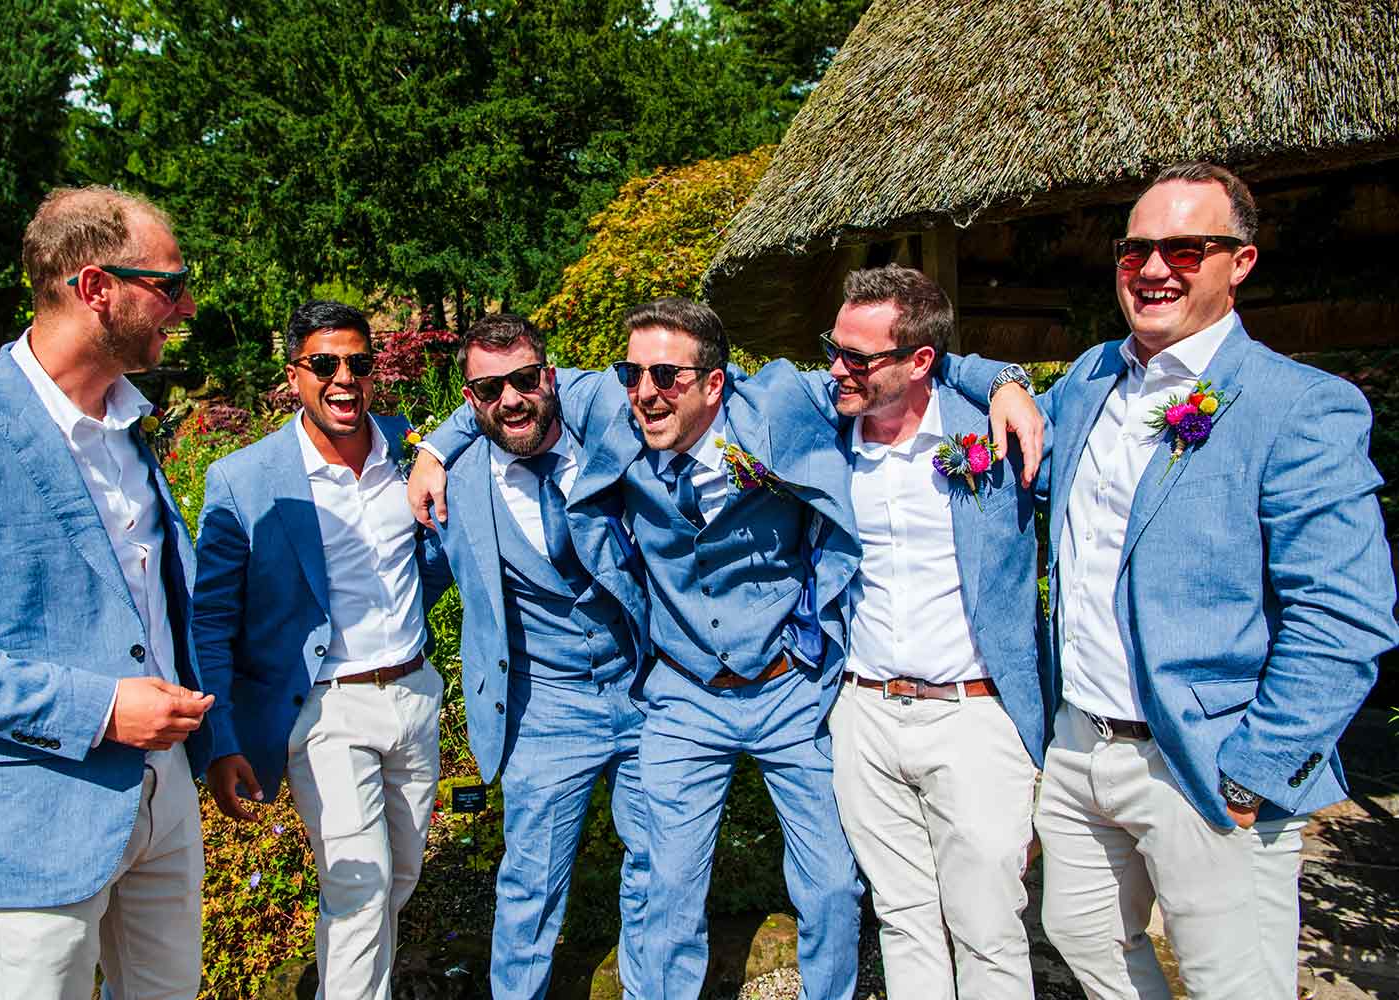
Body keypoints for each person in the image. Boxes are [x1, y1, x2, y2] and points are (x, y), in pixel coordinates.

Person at [410, 297, 1043, 1000]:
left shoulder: (779, 402)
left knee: (833, 881)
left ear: (715, 382)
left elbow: (894, 365)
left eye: (666, 378)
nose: (645, 392)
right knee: (668, 887)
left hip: (789, 689)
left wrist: (1002, 380)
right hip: (681, 694)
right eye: (632, 373)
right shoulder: (618, 415)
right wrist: (436, 447)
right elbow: (505, 398)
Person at [1031, 162, 1398, 999]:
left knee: (1233, 981)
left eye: (1186, 248)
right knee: (1084, 940)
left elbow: (1345, 617)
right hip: (1081, 744)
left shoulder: (1298, 405)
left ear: (1240, 263)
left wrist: (1255, 771)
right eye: (1135, 250)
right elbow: (992, 410)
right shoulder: (1090, 380)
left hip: (1202, 761)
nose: (1154, 269)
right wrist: (1005, 382)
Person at [0, 186, 213, 999]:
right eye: (169, 284)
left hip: (165, 795)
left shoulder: (128, 426)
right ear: (95, 287)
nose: (183, 306)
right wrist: (102, 710)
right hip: (33, 813)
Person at [191, 301, 452, 1000]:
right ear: (293, 375)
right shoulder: (244, 480)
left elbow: (476, 432)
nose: (344, 379)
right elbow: (209, 618)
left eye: (359, 363)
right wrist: (219, 739)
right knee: (358, 885)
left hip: (413, 692)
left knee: (398, 875)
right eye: (325, 364)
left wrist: (436, 449)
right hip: (325, 712)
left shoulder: (412, 447)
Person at [824, 265, 1045, 999]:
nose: (837, 368)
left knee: (988, 924)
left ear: (921, 362)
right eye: (834, 346)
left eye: (858, 357)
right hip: (862, 708)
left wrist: (1005, 379)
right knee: (902, 916)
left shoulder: (995, 429)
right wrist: (444, 442)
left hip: (973, 714)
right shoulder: (820, 429)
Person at [431, 313, 651, 999]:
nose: (511, 399)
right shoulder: (455, 484)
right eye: (489, 389)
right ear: (470, 401)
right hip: (545, 707)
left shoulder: (609, 432)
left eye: (525, 379)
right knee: (531, 884)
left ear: (549, 377)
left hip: (646, 688)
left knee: (662, 868)